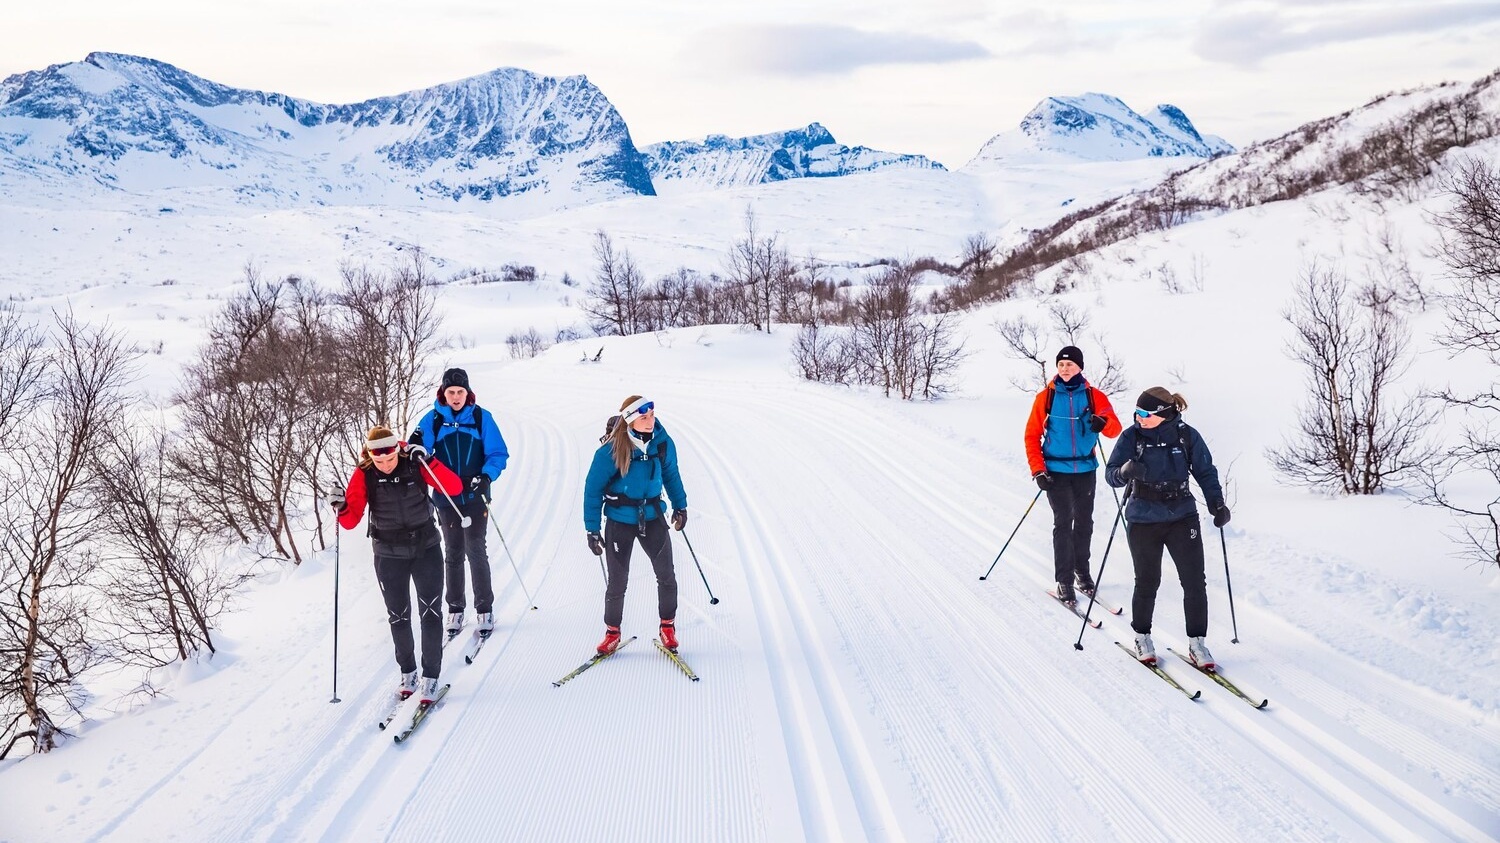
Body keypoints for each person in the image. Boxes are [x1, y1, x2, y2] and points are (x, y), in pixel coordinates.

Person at [330, 425, 462, 704]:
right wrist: (341, 507)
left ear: (396, 451)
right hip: (388, 555)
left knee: (430, 612)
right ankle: (408, 673)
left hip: (425, 547)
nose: (386, 465)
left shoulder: (414, 462)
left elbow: (453, 487)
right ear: (370, 456)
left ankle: (431, 677)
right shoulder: (364, 473)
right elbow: (351, 520)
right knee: (398, 616)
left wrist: (428, 458)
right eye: (379, 461)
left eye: (390, 459)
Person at [1105, 387, 1230, 669]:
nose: (1138, 418)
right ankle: (1142, 637)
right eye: (1136, 412)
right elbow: (1110, 474)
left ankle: (1198, 643)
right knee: (1147, 581)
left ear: (1162, 414)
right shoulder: (1131, 436)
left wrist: (1217, 504)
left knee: (1195, 581)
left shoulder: (1186, 436)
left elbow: (1206, 471)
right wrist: (1124, 472)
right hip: (1143, 518)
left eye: (1144, 414)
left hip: (1181, 515)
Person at [582, 395, 689, 654]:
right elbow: (592, 490)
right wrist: (592, 529)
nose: (650, 420)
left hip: (653, 516)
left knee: (666, 575)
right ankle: (612, 632)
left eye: (652, 415)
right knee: (617, 581)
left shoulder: (662, 443)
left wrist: (680, 505)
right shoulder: (610, 450)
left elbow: (672, 474)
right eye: (643, 417)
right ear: (630, 419)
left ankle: (667, 627)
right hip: (620, 520)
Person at [409, 367, 510, 638]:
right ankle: (455, 608)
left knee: (475, 548)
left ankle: (484, 608)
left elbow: (498, 453)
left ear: (468, 393)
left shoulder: (480, 418)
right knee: (453, 551)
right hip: (445, 497)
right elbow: (417, 450)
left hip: (475, 495)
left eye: (460, 392)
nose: (456, 397)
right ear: (443, 393)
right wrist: (416, 447)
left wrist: (486, 476)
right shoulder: (432, 420)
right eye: (451, 392)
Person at [1024, 345, 1122, 604]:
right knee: (1063, 523)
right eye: (1061, 365)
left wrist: (1103, 423)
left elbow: (1115, 429)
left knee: (1084, 523)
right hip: (1055, 471)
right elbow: (1032, 435)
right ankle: (1064, 580)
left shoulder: (1094, 396)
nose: (1065, 369)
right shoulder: (1045, 397)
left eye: (1069, 364)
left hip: (1086, 470)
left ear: (1080, 367)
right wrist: (1038, 470)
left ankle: (1083, 572)